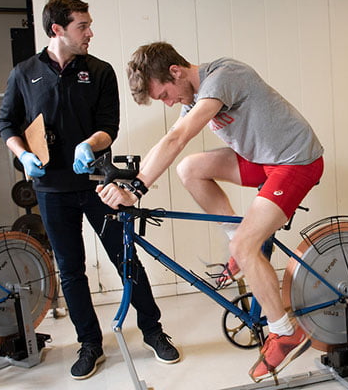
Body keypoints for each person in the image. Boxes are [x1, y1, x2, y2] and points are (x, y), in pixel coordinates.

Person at [96, 42, 323, 382]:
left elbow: (178, 137)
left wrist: (138, 188)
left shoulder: (222, 77)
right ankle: (244, 244)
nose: (169, 103)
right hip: (263, 160)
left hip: (295, 161)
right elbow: (172, 140)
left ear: (176, 72)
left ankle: (285, 332)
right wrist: (134, 179)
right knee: (190, 169)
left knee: (243, 248)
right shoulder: (192, 97)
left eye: (165, 95)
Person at [0, 0, 180, 380]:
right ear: (57, 29)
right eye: (83, 26)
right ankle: (89, 344)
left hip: (99, 185)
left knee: (125, 257)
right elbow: (6, 123)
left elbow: (108, 125)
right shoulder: (24, 72)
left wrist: (90, 144)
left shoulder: (100, 71)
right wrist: (23, 154)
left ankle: (153, 331)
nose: (90, 32)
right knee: (71, 270)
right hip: (51, 190)